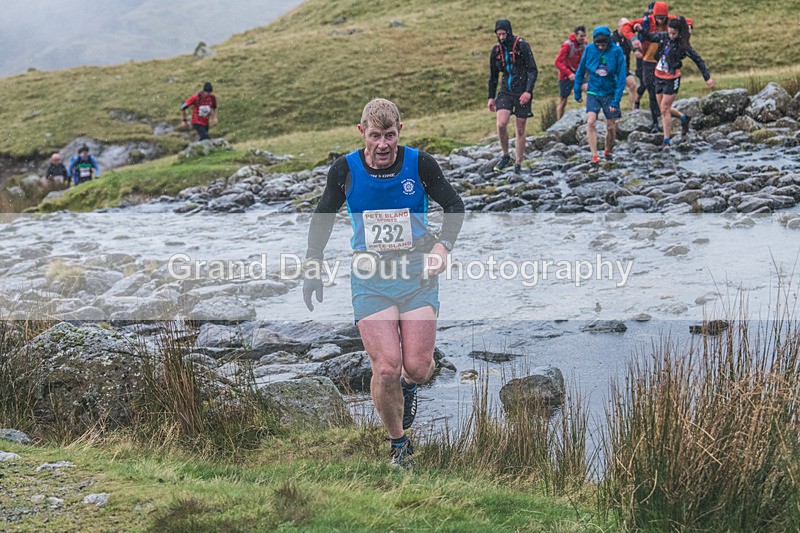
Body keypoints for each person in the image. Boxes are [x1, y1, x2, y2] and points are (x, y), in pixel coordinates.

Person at [303, 98, 464, 469]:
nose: (382, 145)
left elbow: (455, 206)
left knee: (418, 368)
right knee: (387, 367)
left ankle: (407, 389)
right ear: (362, 133)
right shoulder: (344, 170)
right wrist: (313, 265)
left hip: (418, 277)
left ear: (399, 131)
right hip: (370, 280)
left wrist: (444, 246)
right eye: (375, 136)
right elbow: (323, 217)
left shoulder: (420, 164)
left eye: (389, 135)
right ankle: (399, 446)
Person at [642, 16, 714, 148]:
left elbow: (698, 60)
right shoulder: (664, 37)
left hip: (672, 79)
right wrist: (640, 30)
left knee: (664, 109)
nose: (670, 35)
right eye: (669, 32)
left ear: (680, 32)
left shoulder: (683, 46)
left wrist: (707, 78)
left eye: (673, 34)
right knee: (663, 109)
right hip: (659, 76)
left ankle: (666, 140)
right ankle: (684, 118)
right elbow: (651, 37)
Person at [622, 2, 693, 133]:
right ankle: (656, 123)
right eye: (658, 18)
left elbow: (687, 21)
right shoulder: (646, 21)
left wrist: (689, 26)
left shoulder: (672, 20)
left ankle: (678, 118)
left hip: (665, 62)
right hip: (648, 61)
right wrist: (632, 39)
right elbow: (626, 26)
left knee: (663, 98)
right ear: (653, 15)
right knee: (651, 92)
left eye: (663, 18)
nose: (660, 21)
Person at [487, 19, 538, 175]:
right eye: (498, 34)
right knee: (501, 123)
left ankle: (518, 162)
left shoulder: (522, 45)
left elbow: (533, 70)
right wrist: (490, 97)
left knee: (520, 128)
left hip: (523, 90)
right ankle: (505, 155)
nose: (501, 37)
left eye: (503, 34)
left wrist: (528, 91)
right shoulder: (496, 51)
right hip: (506, 91)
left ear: (509, 32)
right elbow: (493, 76)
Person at [574, 26, 627, 164]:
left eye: (604, 44)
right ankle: (594, 156)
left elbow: (621, 78)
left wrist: (616, 100)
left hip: (610, 92)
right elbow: (580, 70)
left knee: (610, 127)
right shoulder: (589, 49)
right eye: (599, 44)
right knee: (591, 122)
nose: (601, 47)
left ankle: (608, 150)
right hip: (593, 91)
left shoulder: (617, 51)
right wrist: (577, 91)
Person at [554, 26, 587, 120]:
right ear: (576, 35)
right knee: (563, 101)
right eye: (581, 36)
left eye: (584, 36)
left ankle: (587, 117)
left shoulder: (585, 45)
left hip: (579, 73)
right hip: (566, 76)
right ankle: (558, 123)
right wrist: (569, 73)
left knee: (589, 91)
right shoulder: (567, 46)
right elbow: (558, 62)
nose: (583, 38)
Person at [612, 19, 639, 111]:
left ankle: (633, 110)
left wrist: (637, 51)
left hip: (624, 69)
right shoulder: (612, 38)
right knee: (616, 90)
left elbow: (634, 48)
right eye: (624, 27)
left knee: (633, 85)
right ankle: (614, 110)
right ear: (618, 27)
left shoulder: (628, 38)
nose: (626, 30)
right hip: (614, 70)